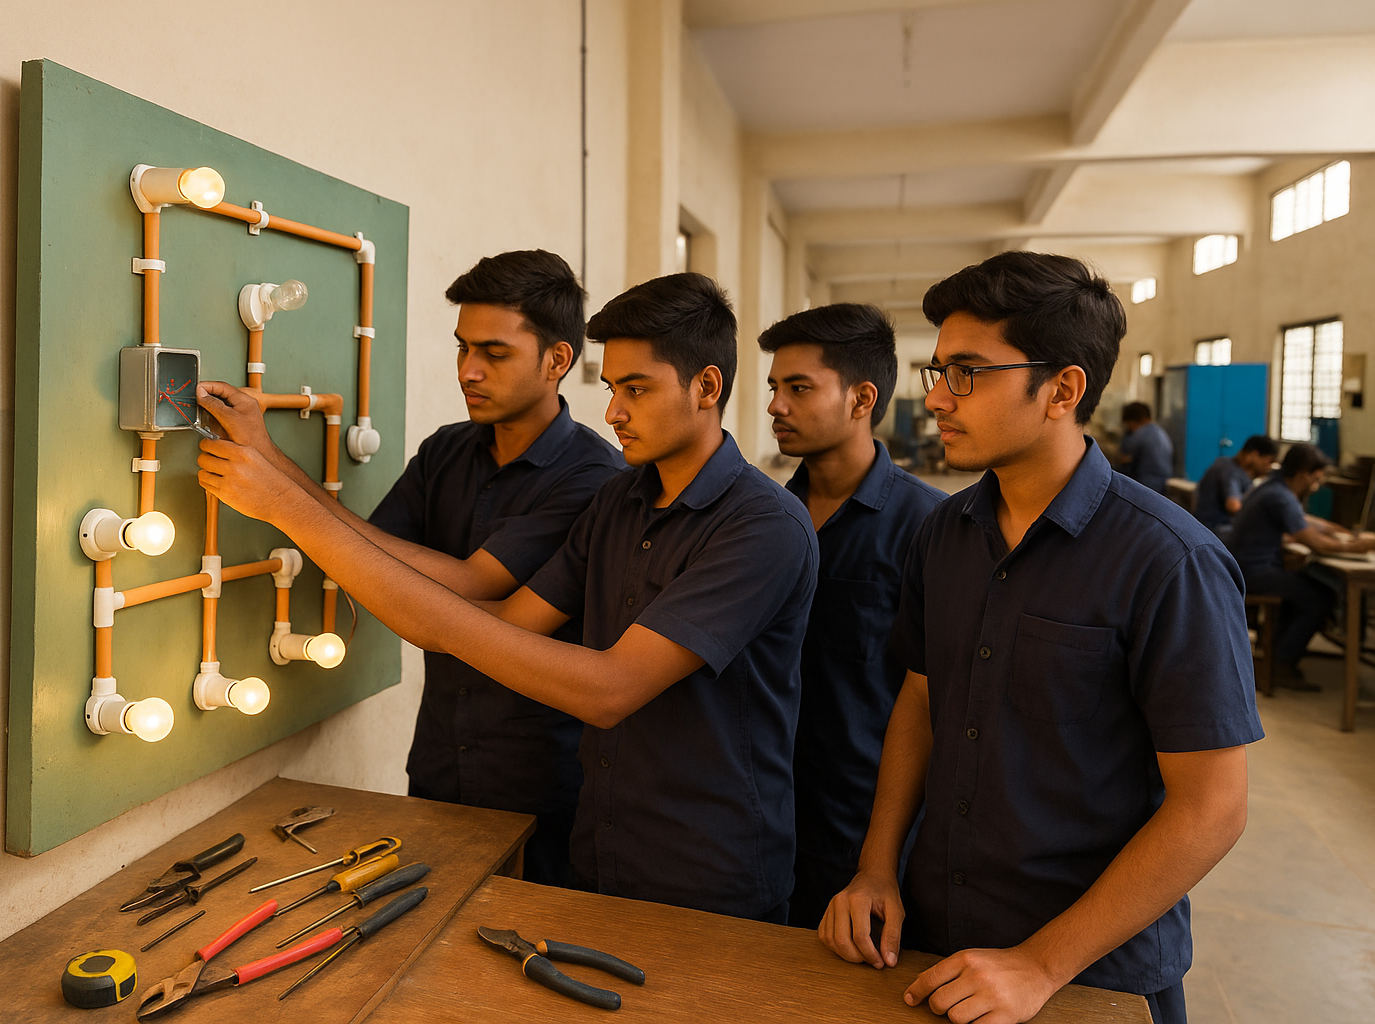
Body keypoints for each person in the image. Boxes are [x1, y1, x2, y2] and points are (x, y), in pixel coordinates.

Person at [198, 272, 818, 922]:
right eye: (612, 390)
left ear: (707, 386)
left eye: (636, 389)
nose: (613, 413)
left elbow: (607, 690)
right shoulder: (619, 501)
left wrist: (293, 512)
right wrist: (284, 492)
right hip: (600, 848)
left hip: (708, 872)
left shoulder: (762, 525)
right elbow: (501, 620)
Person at [819, 252, 1263, 1024]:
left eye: (968, 373)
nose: (937, 401)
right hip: (933, 942)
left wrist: (1039, 965)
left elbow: (1212, 808)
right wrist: (875, 868)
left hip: (1091, 971)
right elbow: (920, 703)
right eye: (937, 371)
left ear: (1062, 389)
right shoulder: (943, 535)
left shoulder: (1169, 562)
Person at [197, 250, 624, 886]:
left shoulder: (594, 478)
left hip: (543, 787)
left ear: (557, 360)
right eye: (461, 349)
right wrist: (268, 454)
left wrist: (282, 500)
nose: (468, 371)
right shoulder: (447, 450)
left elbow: (473, 587)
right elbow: (362, 548)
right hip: (438, 766)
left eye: (495, 353)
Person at [759, 303, 945, 930]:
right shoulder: (759, 522)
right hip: (762, 810)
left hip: (868, 829)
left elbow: (936, 701)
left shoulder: (928, 529)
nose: (775, 406)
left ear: (862, 397)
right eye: (774, 388)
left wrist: (883, 857)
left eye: (799, 388)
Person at [1226, 442, 1375, 690]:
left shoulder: (1274, 487)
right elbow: (1317, 543)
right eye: (1319, 475)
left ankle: (1278, 652)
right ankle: (1281, 662)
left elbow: (1305, 521)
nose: (1320, 481)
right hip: (1252, 572)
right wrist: (1356, 547)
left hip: (1245, 567)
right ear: (1305, 472)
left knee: (1303, 586)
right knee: (1319, 596)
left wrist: (1342, 532)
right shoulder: (1280, 495)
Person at [1193, 435, 1277, 537]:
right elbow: (1233, 506)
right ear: (1254, 455)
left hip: (1203, 526)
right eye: (1268, 462)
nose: (1268, 467)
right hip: (1213, 530)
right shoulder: (1230, 471)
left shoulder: (1226, 464)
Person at [1118, 401, 1173, 493]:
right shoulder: (1160, 432)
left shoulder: (1139, 435)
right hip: (1162, 485)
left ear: (1130, 422)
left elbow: (1124, 459)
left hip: (1144, 485)